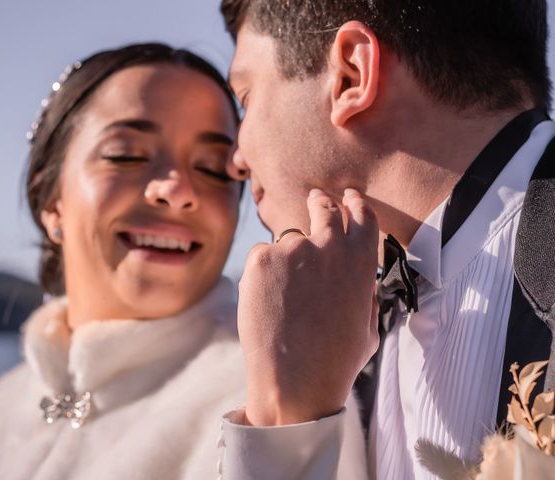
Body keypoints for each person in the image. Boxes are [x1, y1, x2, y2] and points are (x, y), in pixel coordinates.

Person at [0, 42, 365, 479]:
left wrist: (284, 430)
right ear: (50, 200)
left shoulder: (279, 401)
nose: (177, 190)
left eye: (212, 166)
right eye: (126, 155)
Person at [215, 1, 554, 479]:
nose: (236, 160)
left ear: (350, 76)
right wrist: (292, 414)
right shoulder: (338, 331)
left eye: (247, 98)